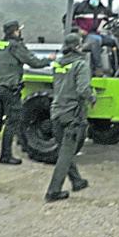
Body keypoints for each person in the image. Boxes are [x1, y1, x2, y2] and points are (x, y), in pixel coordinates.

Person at [0, 20, 55, 165]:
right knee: (12, 121)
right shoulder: (16, 46)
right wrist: (49, 59)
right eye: (19, 30)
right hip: (10, 89)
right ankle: (5, 156)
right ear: (15, 31)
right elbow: (34, 62)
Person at [45, 33, 93, 202]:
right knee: (66, 153)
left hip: (56, 111)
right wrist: (92, 98)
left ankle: (77, 181)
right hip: (71, 114)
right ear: (77, 46)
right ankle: (53, 191)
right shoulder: (81, 65)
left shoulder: (58, 64)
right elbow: (83, 90)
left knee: (65, 150)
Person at [63, 0, 118, 76]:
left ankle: (115, 69)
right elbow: (66, 19)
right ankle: (98, 68)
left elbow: (112, 17)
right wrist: (78, 30)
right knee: (95, 40)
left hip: (96, 34)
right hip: (81, 36)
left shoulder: (102, 9)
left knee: (114, 42)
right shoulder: (80, 7)